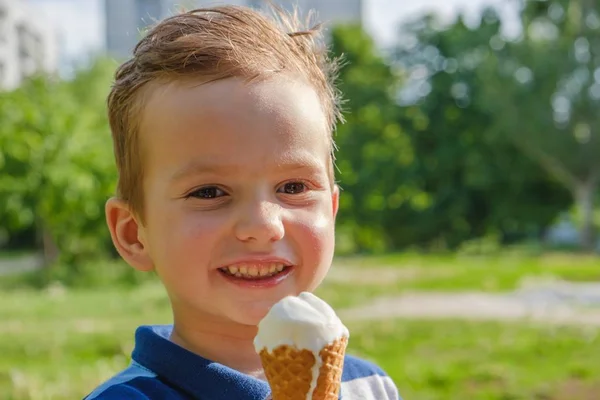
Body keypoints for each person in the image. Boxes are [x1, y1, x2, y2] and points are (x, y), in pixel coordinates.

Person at [85, 4, 401, 400]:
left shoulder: (370, 387)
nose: (263, 225)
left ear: (331, 211)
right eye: (209, 192)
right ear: (134, 233)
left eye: (293, 187)